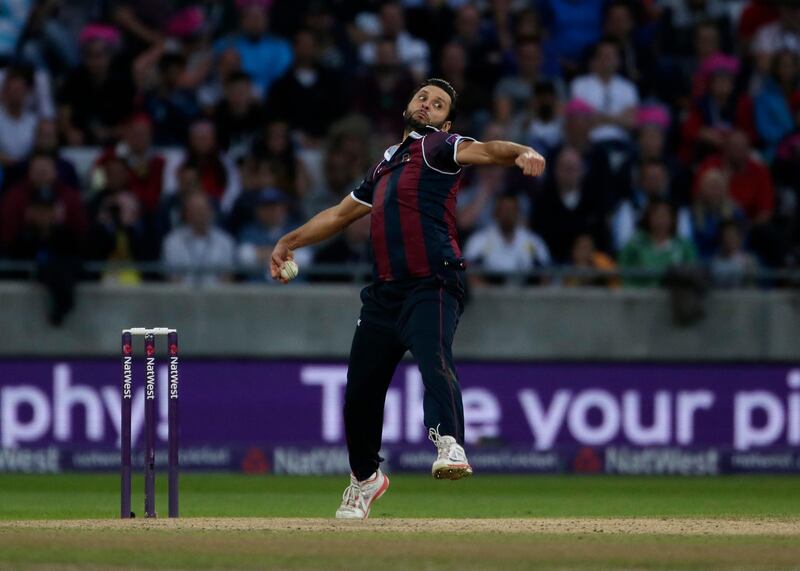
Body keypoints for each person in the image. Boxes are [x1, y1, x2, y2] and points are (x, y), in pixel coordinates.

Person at [270, 79, 545, 519]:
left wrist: (520, 153)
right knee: (359, 392)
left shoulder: (439, 147)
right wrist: (290, 240)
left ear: (446, 122)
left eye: (438, 105)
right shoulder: (383, 165)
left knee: (433, 353)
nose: (427, 105)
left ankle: (450, 443)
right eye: (422, 97)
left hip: (433, 281)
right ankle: (365, 480)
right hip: (384, 293)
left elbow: (489, 150)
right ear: (408, 103)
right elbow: (340, 215)